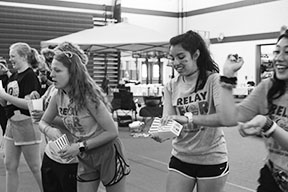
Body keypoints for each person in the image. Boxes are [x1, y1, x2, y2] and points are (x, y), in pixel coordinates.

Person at [39, 51, 130, 192]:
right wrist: (48, 129)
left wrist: (79, 146)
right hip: (85, 155)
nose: (51, 75)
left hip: (107, 153)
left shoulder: (88, 97)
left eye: (57, 70)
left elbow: (112, 132)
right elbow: (42, 121)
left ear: (72, 73)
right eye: (51, 70)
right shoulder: (57, 96)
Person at [153, 30, 232, 192]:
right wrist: (161, 133)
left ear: (196, 54)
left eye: (181, 57)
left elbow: (224, 118)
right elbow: (170, 121)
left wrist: (189, 118)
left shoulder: (213, 80)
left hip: (212, 158)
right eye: (172, 58)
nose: (175, 63)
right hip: (181, 157)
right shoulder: (170, 86)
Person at [221, 28, 288, 192]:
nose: (279, 58)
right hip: (273, 176)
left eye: (287, 52)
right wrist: (227, 77)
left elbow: (268, 125)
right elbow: (230, 117)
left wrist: (268, 125)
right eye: (276, 51)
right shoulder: (268, 87)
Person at [0, 42, 43, 192]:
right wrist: (2, 95)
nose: (10, 59)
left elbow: (29, 104)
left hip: (26, 123)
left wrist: (5, 95)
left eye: (13, 56)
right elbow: (5, 102)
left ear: (24, 56)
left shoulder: (30, 76)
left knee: (35, 166)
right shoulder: (14, 76)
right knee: (9, 164)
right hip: (11, 123)